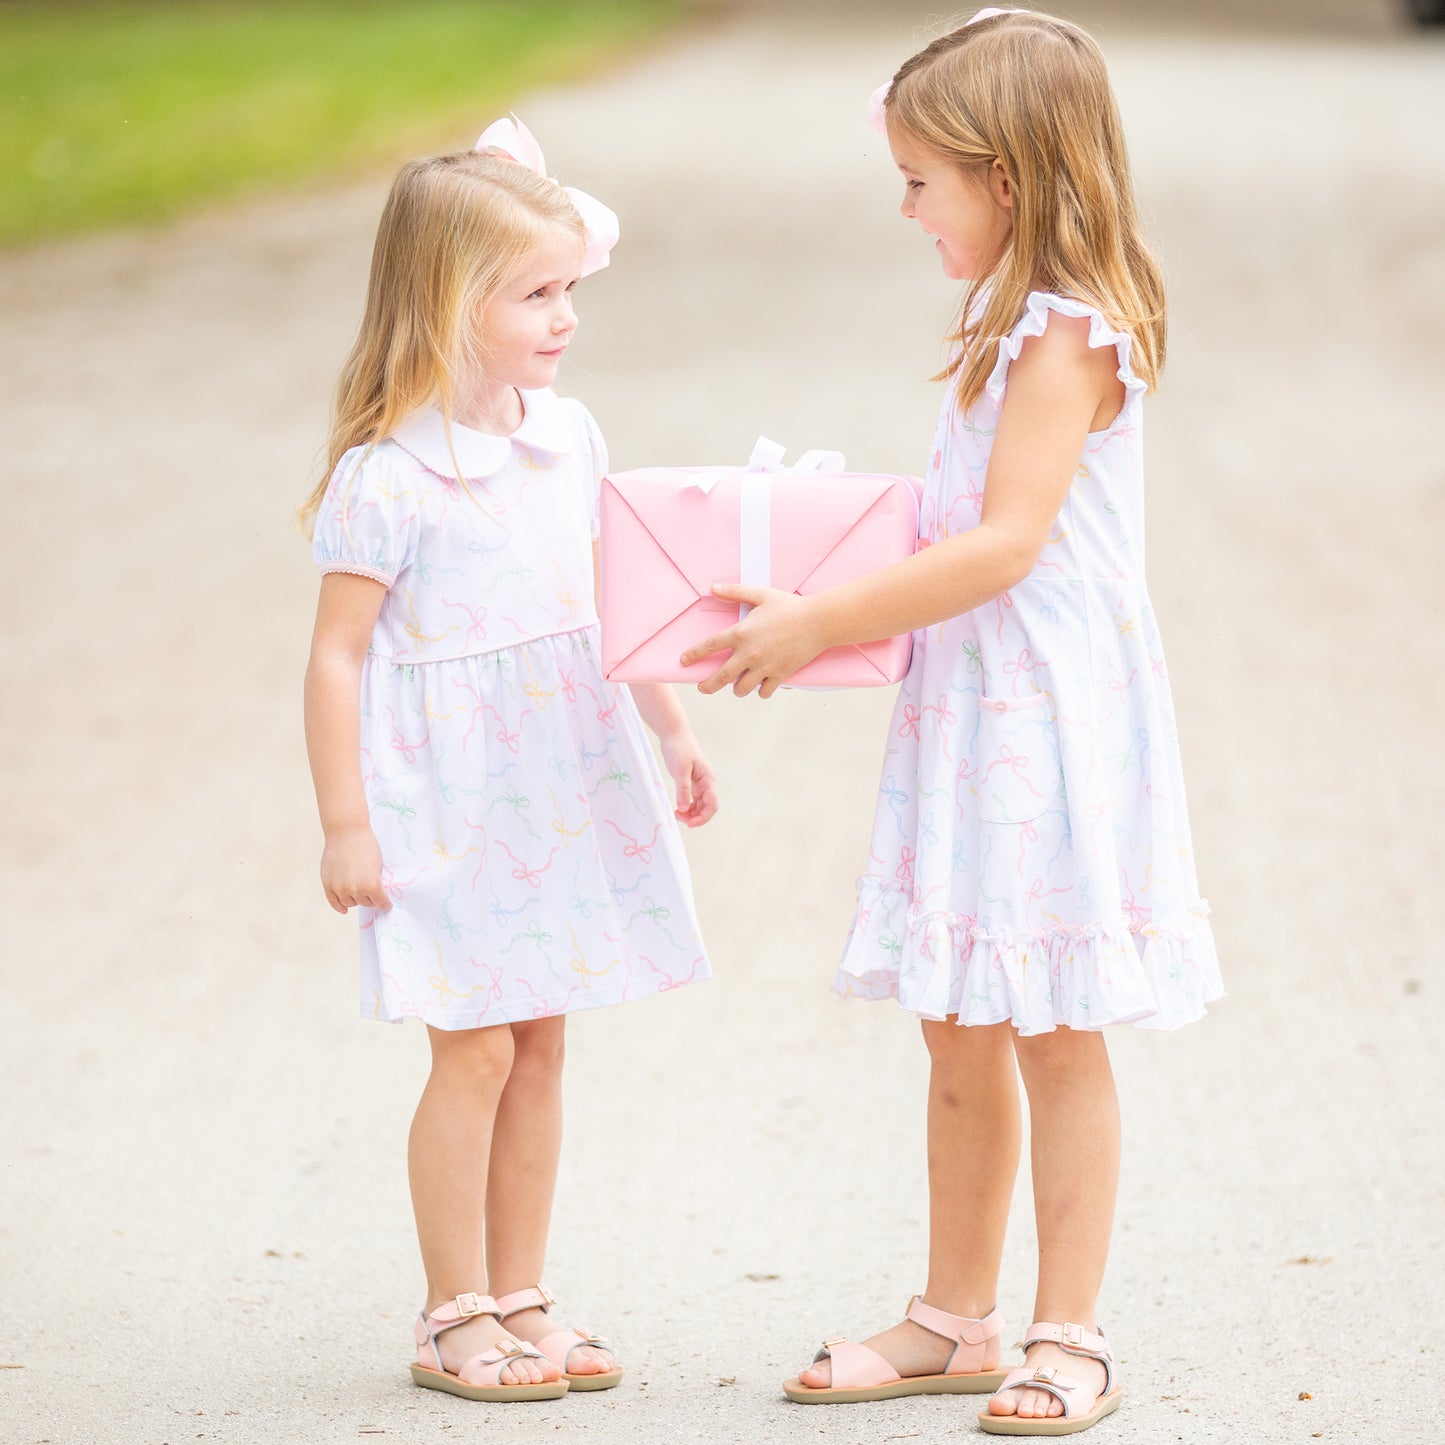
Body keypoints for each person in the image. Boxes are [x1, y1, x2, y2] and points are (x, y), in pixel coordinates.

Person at [680, 10, 1221, 1434]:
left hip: (1044, 720)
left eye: (922, 180)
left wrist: (820, 620)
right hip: (977, 709)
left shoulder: (1068, 333)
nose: (907, 208)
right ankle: (954, 1316)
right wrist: (803, 561)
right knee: (960, 1021)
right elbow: (945, 526)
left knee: (1052, 1023)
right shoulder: (1007, 322)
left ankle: (1068, 1329)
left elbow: (1005, 544)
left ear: (1010, 173)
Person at [300, 118, 716, 1404]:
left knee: (540, 1040)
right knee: (470, 1048)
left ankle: (523, 1289)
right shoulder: (388, 476)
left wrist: (668, 722)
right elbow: (334, 659)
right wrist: (345, 822)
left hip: (559, 773)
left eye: (569, 289)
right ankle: (451, 1308)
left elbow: (612, 594)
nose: (564, 318)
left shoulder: (566, 435)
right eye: (535, 294)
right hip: (453, 799)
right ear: (445, 300)